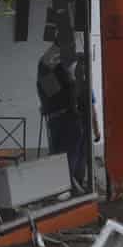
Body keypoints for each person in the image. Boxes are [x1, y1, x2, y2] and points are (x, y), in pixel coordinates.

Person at [37, 41, 87, 192]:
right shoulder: (53, 70)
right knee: (69, 158)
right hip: (66, 119)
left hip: (57, 119)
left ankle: (67, 187)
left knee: (62, 158)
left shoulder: (49, 69)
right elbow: (60, 95)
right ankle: (68, 188)